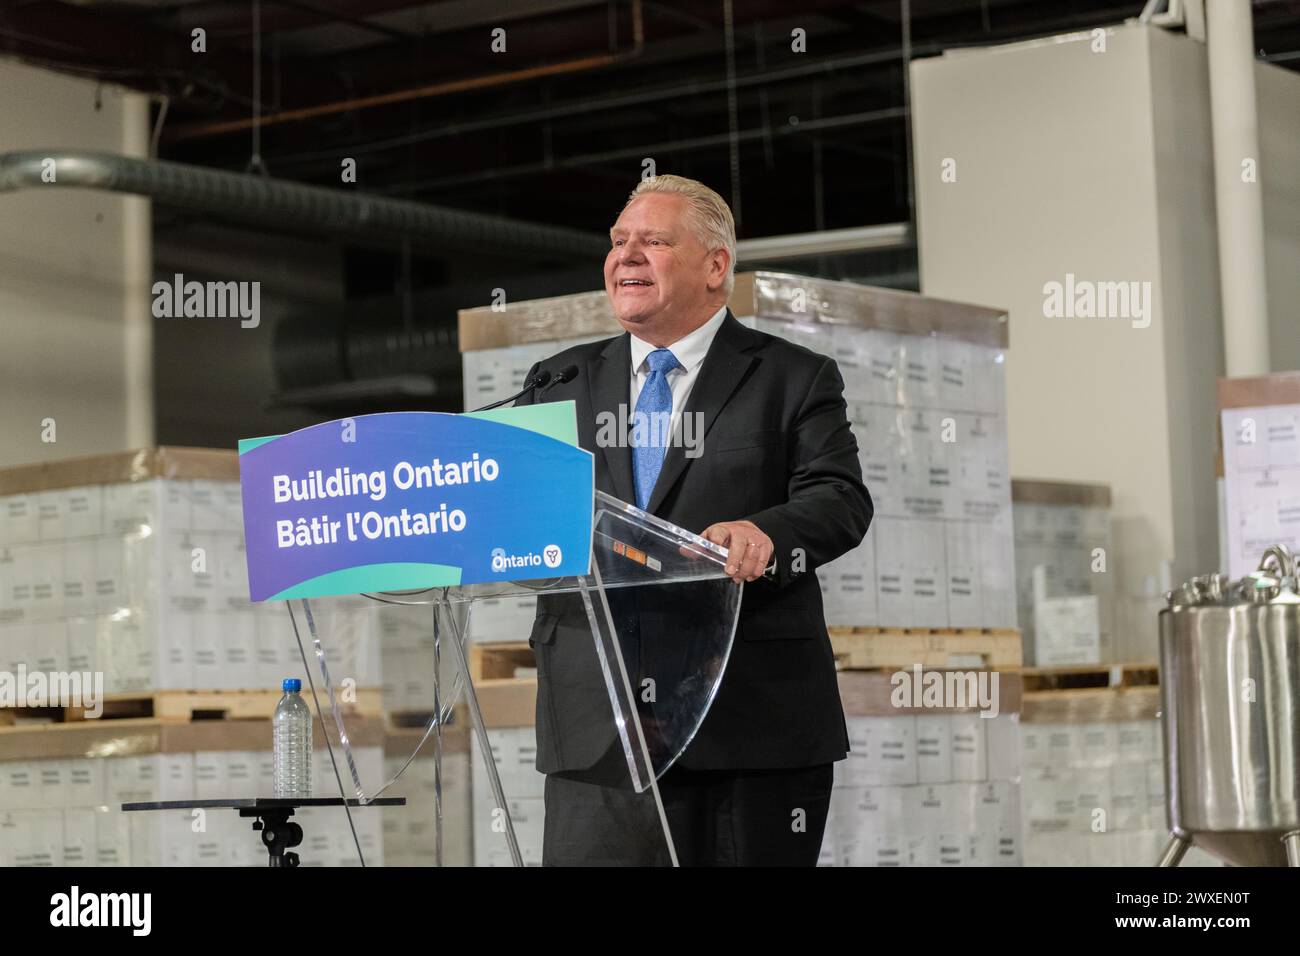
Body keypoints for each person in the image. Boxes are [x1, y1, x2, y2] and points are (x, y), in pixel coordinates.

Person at [515, 174, 872, 865]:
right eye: (619, 241)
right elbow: (527, 516)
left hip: (750, 727)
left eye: (653, 241)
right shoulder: (559, 381)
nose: (626, 256)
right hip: (599, 733)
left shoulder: (791, 378)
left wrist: (768, 533)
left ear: (717, 267)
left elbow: (840, 498)